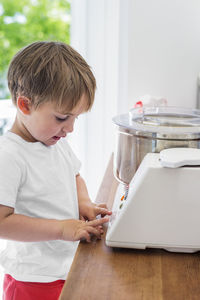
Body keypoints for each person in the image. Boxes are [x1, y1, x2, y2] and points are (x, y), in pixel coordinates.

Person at [0, 41, 112, 300]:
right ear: (25, 105)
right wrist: (62, 229)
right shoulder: (9, 156)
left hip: (65, 269)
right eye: (62, 118)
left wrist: (84, 203)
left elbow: (74, 175)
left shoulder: (54, 141)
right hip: (32, 280)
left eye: (76, 118)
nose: (70, 128)